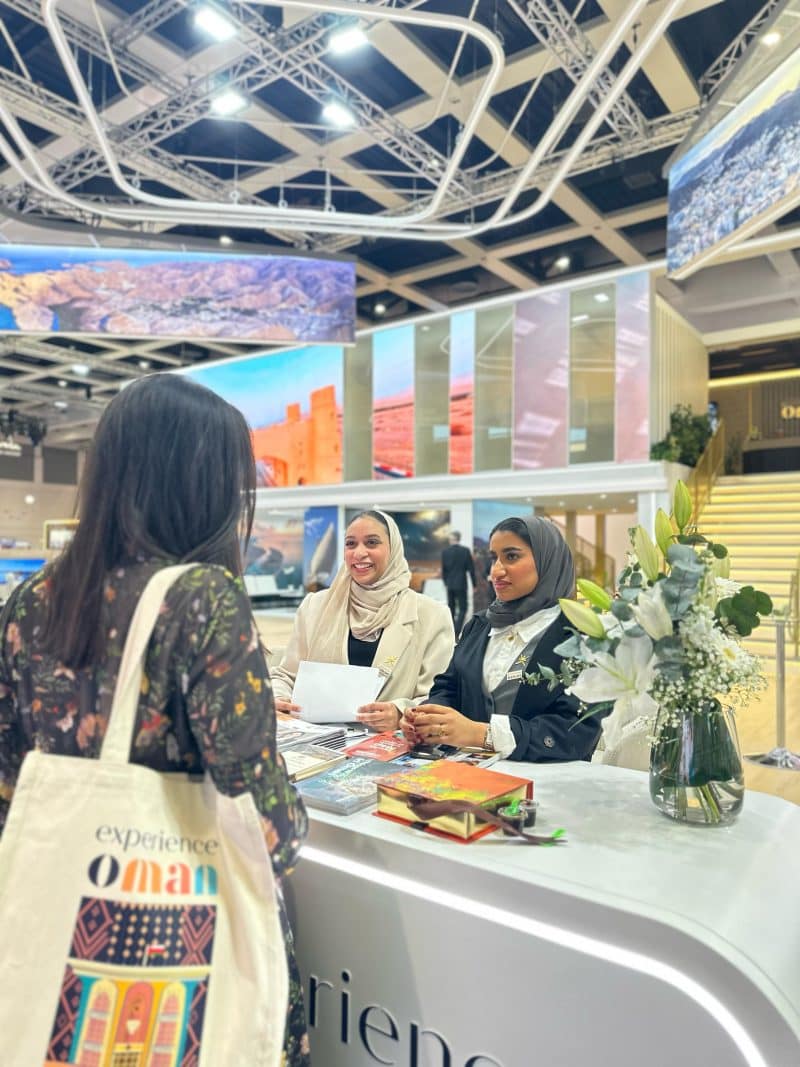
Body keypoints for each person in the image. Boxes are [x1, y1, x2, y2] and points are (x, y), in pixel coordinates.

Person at [0, 374, 311, 1065]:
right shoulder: (202, 599)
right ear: (204, 486)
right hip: (177, 941)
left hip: (57, 922)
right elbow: (269, 831)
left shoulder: (31, 599)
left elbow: (10, 778)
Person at [403, 516, 602, 763]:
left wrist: (481, 734)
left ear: (547, 560)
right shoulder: (480, 625)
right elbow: (450, 686)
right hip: (465, 775)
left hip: (545, 780)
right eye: (493, 558)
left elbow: (577, 733)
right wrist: (429, 718)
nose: (495, 571)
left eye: (511, 556)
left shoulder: (580, 636)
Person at [271, 510, 454, 732]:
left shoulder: (431, 615)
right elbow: (286, 675)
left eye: (371, 542)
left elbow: (441, 696)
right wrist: (279, 698)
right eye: (351, 544)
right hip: (318, 740)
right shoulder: (315, 607)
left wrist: (400, 712)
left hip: (391, 743)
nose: (359, 553)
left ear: (394, 549)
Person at [440, 530, 476, 636]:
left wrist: (446, 582)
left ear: (451, 539)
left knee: (451, 607)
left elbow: (444, 570)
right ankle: (457, 629)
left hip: (450, 584)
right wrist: (474, 584)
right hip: (461, 583)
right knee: (463, 608)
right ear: (459, 539)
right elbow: (471, 569)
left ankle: (451, 629)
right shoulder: (465, 551)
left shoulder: (445, 552)